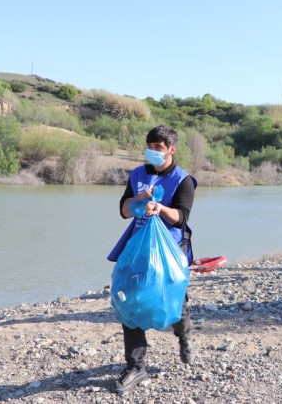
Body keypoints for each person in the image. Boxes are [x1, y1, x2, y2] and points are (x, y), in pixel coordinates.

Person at [107, 125, 197, 394]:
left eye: (159, 147)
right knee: (129, 299)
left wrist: (160, 208)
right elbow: (124, 210)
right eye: (150, 147)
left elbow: (181, 217)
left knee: (174, 303)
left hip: (169, 249)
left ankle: (184, 333)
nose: (153, 152)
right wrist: (138, 199)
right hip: (138, 247)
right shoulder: (138, 174)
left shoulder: (183, 180)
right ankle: (136, 366)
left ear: (171, 149)